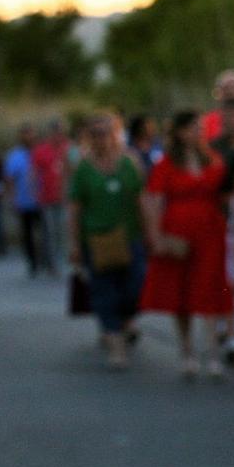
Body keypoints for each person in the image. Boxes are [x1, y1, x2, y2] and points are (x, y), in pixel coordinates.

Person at [140, 111, 234, 380]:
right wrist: (157, 236)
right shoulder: (166, 164)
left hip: (210, 231)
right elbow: (154, 199)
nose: (199, 132)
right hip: (178, 230)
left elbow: (224, 193)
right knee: (180, 293)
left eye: (201, 128)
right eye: (194, 128)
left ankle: (213, 354)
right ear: (180, 132)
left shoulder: (213, 160)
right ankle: (188, 352)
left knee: (209, 289)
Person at [68, 113, 147, 369]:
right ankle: (116, 345)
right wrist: (75, 245)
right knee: (104, 291)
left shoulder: (129, 163)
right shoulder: (83, 168)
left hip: (129, 236)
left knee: (135, 286)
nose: (101, 138)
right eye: (96, 133)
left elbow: (142, 200)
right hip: (97, 238)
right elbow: (75, 208)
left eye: (106, 132)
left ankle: (125, 321)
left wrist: (150, 233)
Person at [3, 124, 49, 277]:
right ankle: (32, 263)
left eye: (32, 135)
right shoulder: (15, 156)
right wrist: (12, 198)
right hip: (24, 201)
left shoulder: (42, 151)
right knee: (28, 233)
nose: (29, 138)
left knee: (45, 232)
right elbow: (9, 179)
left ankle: (46, 260)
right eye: (26, 135)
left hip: (43, 199)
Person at [31, 119, 70, 276]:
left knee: (63, 230)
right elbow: (34, 173)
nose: (57, 136)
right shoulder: (41, 150)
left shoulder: (69, 148)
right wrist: (35, 192)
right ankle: (53, 264)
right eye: (55, 132)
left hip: (64, 197)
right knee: (51, 232)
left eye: (60, 132)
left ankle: (64, 260)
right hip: (47, 197)